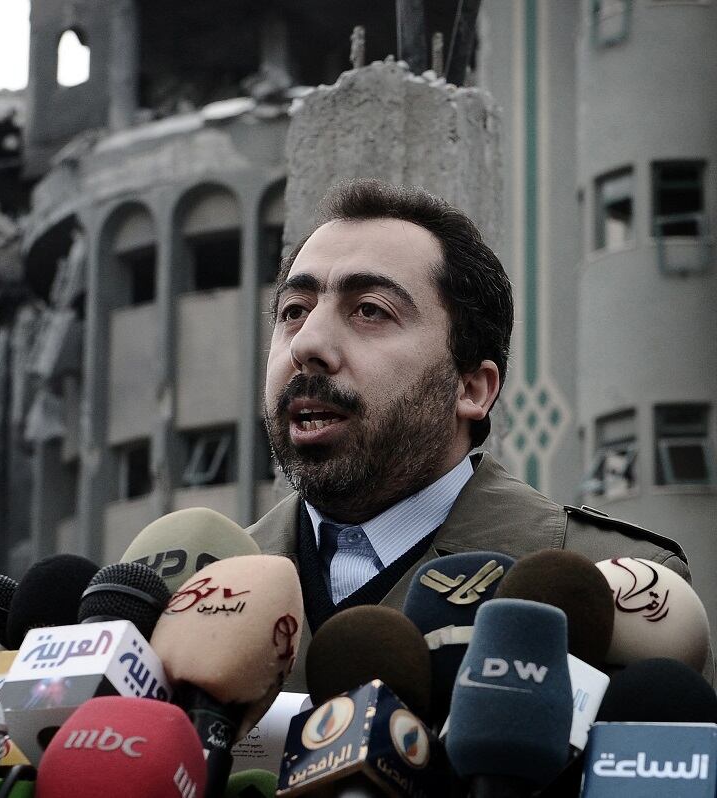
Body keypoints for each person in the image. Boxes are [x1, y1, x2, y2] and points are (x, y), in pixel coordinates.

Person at [246, 179, 695, 687]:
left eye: (370, 310)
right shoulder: (194, 591)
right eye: (294, 311)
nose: (306, 344)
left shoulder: (618, 593)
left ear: (472, 388)